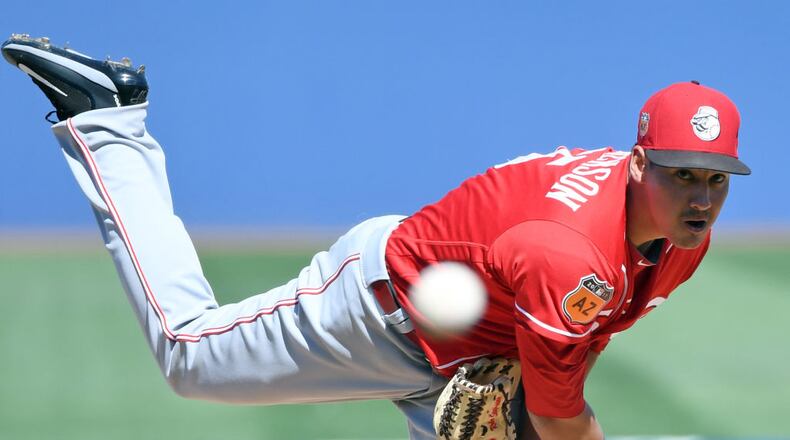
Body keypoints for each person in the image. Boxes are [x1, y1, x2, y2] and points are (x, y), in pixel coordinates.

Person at [2, 34, 750, 440]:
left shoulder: (676, 234)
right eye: (684, 175)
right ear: (640, 161)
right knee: (188, 357)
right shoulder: (571, 252)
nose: (702, 197)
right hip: (374, 313)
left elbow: (576, 339)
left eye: (716, 179)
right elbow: (562, 416)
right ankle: (108, 119)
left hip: (469, 342)